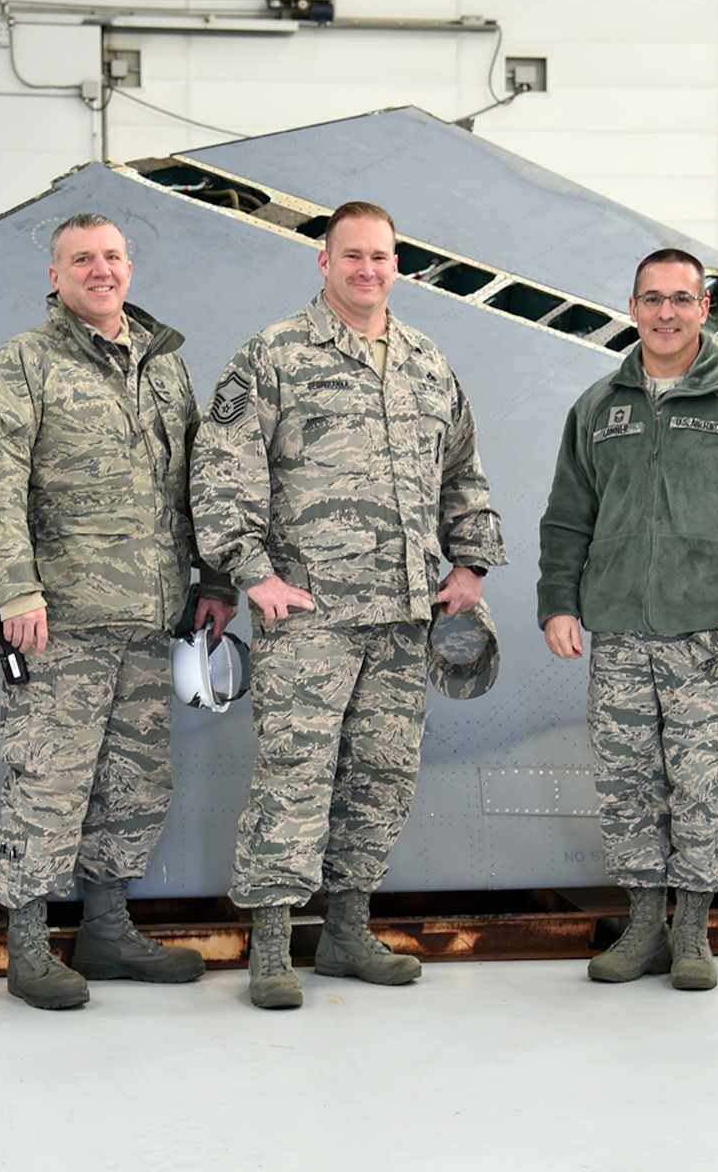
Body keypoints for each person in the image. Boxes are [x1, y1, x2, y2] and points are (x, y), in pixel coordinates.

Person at [191, 201, 507, 1010]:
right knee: (294, 774)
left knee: (382, 774)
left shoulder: (428, 363)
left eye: (382, 257)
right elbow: (222, 471)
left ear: (398, 265)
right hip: (310, 617)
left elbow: (462, 471)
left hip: (404, 615)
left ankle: (346, 928)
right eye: (353, 255)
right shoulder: (273, 357)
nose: (368, 270)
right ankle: (270, 942)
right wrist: (253, 573)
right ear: (322, 262)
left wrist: (469, 563)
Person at [0, 212, 237, 1011]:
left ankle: (107, 929)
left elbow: (200, 486)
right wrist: (16, 591)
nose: (100, 269)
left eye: (113, 255)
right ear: (56, 276)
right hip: (62, 620)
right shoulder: (20, 367)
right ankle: (29, 945)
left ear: (130, 266)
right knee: (48, 779)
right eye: (82, 259)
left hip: (153, 619)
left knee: (134, 780)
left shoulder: (166, 368)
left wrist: (214, 580)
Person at [538, 248, 718, 991]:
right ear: (633, 308)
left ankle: (690, 931)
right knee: (627, 782)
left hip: (711, 638)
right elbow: (568, 518)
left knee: (700, 782)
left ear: (705, 308)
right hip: (620, 632)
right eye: (652, 299)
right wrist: (559, 602)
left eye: (681, 299)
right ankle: (642, 927)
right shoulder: (599, 407)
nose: (666, 313)